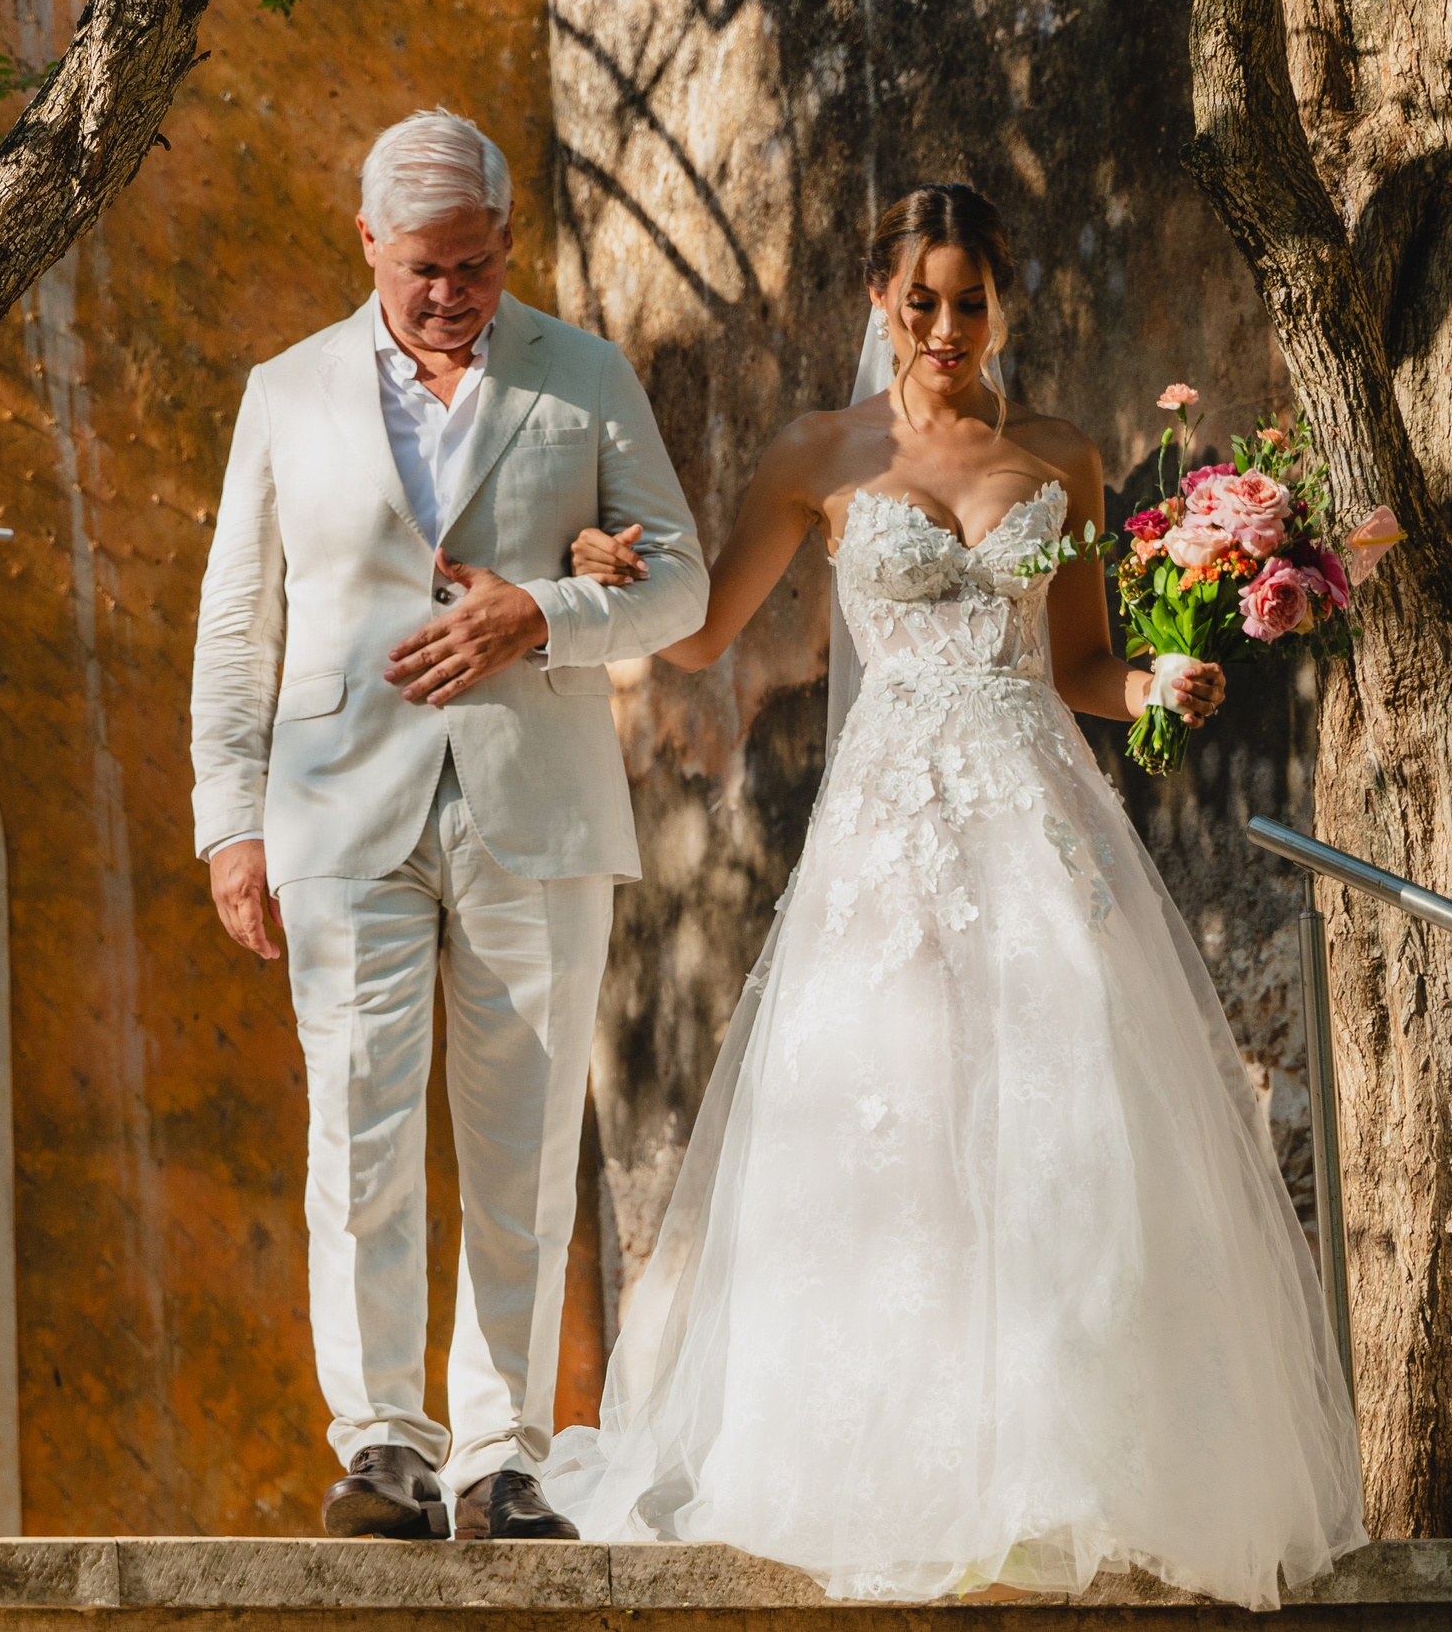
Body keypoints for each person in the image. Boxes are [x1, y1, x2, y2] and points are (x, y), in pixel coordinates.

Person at [539, 183, 1365, 1606]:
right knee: (896, 1112)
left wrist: (1158, 679)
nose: (943, 327)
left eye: (968, 301)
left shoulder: (1065, 455)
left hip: (1037, 811)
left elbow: (1082, 664)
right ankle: (889, 1469)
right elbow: (703, 632)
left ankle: (1058, 1473)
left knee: (1063, 1119)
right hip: (888, 829)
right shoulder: (820, 453)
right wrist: (601, 568)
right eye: (918, 301)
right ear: (880, 302)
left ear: (1002, 305)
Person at [188, 109, 708, 1541]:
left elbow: (683, 587)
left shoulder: (585, 376)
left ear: (502, 245)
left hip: (532, 812)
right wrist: (229, 823)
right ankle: (383, 1449)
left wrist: (546, 610)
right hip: (338, 813)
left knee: (527, 1142)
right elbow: (242, 628)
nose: (449, 295)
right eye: (423, 267)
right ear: (368, 242)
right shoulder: (286, 392)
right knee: (353, 1134)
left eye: (474, 266)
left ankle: (503, 1454)